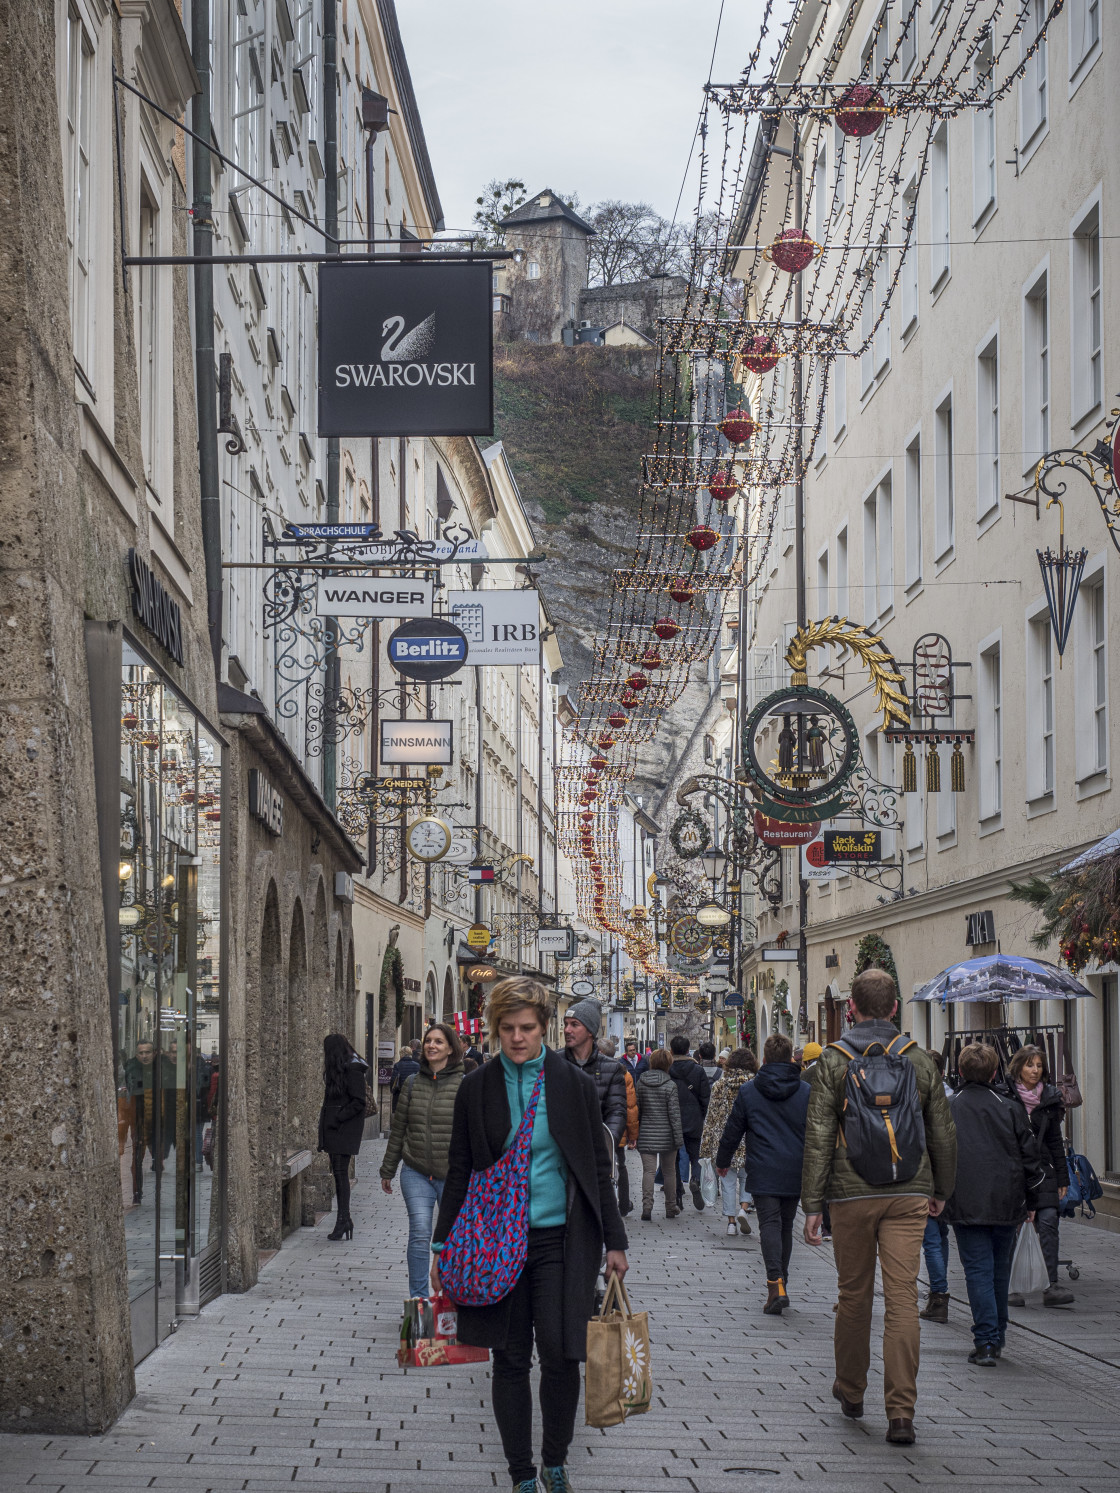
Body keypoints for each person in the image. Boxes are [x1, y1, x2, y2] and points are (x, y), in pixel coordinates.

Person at [431, 977, 627, 1493]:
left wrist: (616, 1241)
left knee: (562, 1356)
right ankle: (521, 1473)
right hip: (495, 1243)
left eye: (527, 1028)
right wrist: (440, 1243)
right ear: (495, 1030)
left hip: (559, 1241)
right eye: (507, 1028)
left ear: (544, 1029)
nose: (517, 1038)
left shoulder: (572, 1085)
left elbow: (594, 1170)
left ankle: (555, 1461)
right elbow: (459, 1168)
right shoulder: (476, 1087)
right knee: (511, 1358)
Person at [801, 968, 957, 1446]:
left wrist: (812, 1204)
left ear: (851, 1007)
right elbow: (943, 1133)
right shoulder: (919, 1061)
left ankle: (851, 1391)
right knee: (903, 1299)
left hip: (851, 1194)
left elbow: (819, 1138)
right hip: (910, 1191)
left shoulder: (833, 1060)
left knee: (853, 1296)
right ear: (894, 1008)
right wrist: (941, 1190)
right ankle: (901, 1413)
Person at [947, 1043, 1044, 1365]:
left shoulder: (949, 1106)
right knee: (998, 1268)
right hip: (1006, 1198)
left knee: (977, 1269)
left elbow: (936, 1153)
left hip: (966, 1199)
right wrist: (1032, 1200)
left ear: (960, 1071)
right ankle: (996, 1334)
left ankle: (986, 1339)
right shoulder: (1010, 1107)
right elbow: (1030, 1158)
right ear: (993, 1072)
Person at [717, 1034, 810, 1311]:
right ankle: (782, 1282)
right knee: (785, 1225)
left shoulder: (749, 1091)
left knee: (769, 1224)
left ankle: (775, 1283)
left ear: (765, 1060)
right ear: (790, 1059)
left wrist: (722, 1160)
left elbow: (733, 1129)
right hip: (795, 1167)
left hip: (763, 1165)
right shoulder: (805, 1091)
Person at [380, 1022, 465, 1298]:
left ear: (451, 1048)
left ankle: (450, 1301)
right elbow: (399, 1127)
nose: (431, 1046)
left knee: (452, 1239)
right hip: (416, 1171)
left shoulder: (465, 1084)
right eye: (429, 1041)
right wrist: (388, 1169)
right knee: (419, 1232)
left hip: (453, 1175)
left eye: (439, 1042)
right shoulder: (413, 1083)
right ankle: (419, 1301)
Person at [1003, 1044, 1072, 1307]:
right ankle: (1010, 1286)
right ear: (1018, 1067)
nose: (1035, 1070)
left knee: (1049, 1221)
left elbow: (1055, 1141)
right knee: (1014, 1225)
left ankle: (1050, 1284)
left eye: (1039, 1065)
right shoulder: (1006, 1096)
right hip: (1015, 1170)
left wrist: (1063, 1178)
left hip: (1044, 1170)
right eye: (1030, 1064)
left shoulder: (1050, 1098)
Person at [317, 1033, 369, 1241]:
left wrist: (337, 1118)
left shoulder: (352, 1070)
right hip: (335, 1129)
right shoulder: (339, 1069)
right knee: (338, 1175)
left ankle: (343, 1220)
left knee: (340, 1174)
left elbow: (359, 1102)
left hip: (343, 1130)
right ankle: (344, 1220)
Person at [700, 1047, 756, 1236]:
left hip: (724, 1140)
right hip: (749, 1138)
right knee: (748, 1177)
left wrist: (706, 1148)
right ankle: (744, 1208)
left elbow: (711, 1117)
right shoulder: (755, 1085)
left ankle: (731, 1223)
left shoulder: (719, 1085)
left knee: (727, 1180)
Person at [561, 998, 628, 1151]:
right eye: (566, 1024)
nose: (567, 1030)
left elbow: (616, 1111)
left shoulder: (612, 1068)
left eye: (574, 1024)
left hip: (597, 1149)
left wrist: (606, 1144)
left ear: (590, 1031)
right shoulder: (553, 1062)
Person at [919, 1049, 954, 1323]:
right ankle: (937, 1289)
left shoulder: (921, 1097)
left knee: (931, 1239)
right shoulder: (953, 1095)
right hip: (946, 1177)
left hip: (924, 1177)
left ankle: (939, 1294)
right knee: (940, 1236)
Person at [636, 1047, 684, 1220]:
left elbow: (637, 1110)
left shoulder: (641, 1082)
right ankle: (670, 1207)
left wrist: (636, 1132)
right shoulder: (670, 1085)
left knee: (648, 1172)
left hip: (647, 1133)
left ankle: (647, 1208)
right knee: (669, 1172)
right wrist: (679, 1139)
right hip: (667, 1135)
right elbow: (675, 1115)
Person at [668, 1034, 711, 1210]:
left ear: (671, 1050)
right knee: (696, 1156)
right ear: (688, 1050)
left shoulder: (667, 1069)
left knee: (674, 1159)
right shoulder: (698, 1070)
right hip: (694, 1119)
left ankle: (678, 1193)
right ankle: (695, 1180)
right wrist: (702, 1116)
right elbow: (705, 1098)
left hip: (672, 1119)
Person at [599, 1037, 639, 1216]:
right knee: (620, 1165)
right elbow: (630, 1107)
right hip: (617, 1129)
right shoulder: (624, 1073)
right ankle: (623, 1204)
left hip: (596, 1128)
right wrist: (632, 1135)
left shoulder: (588, 1070)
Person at [389, 1040, 421, 1112]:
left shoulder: (397, 1065)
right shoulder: (417, 1065)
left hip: (400, 1095)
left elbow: (393, 1080)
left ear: (401, 1054)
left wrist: (392, 1090)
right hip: (413, 1094)